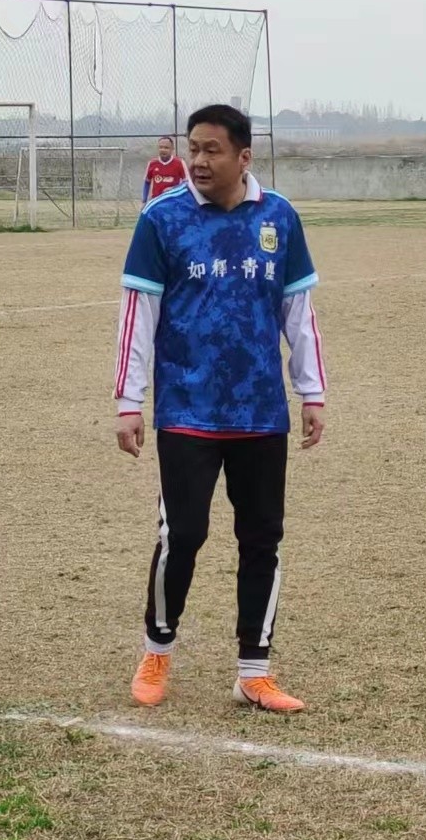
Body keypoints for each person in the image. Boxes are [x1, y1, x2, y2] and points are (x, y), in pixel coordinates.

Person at [114, 103, 326, 714]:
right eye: (193, 149)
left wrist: (311, 391)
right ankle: (157, 648)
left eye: (211, 150)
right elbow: (139, 316)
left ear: (243, 156)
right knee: (182, 534)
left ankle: (253, 672)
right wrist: (130, 401)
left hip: (261, 411)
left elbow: (298, 316)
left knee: (263, 538)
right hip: (187, 409)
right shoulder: (162, 218)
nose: (199, 161)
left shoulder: (279, 218)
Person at [142, 135, 189, 202]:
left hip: (174, 201)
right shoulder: (152, 163)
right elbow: (147, 182)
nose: (163, 150)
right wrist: (144, 201)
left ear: (172, 149)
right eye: (161, 147)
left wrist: (174, 189)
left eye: (166, 148)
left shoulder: (180, 163)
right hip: (157, 201)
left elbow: (187, 183)